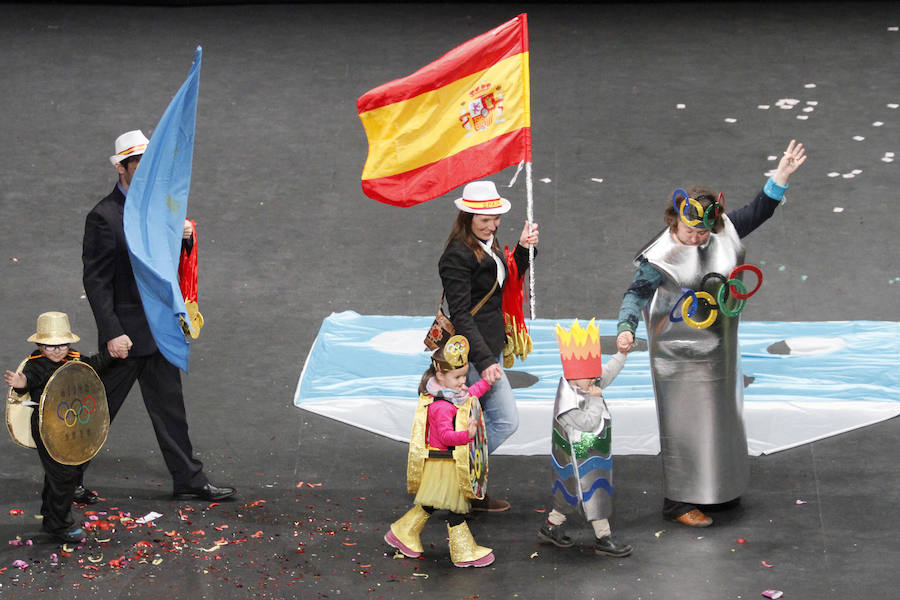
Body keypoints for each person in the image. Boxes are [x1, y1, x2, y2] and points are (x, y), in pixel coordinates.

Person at [615, 140, 807, 527]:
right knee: (685, 427)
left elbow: (759, 210)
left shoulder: (721, 232)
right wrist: (625, 328)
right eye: (690, 230)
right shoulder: (660, 257)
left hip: (720, 351)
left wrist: (780, 177)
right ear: (675, 221)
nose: (697, 238)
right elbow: (635, 295)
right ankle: (678, 501)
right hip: (679, 358)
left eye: (703, 232)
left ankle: (718, 489)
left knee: (721, 424)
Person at [81, 129, 234, 502]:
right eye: (139, 164)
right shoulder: (103, 217)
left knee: (170, 410)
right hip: (125, 336)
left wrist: (185, 238)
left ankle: (189, 480)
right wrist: (112, 332)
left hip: (160, 329)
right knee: (98, 411)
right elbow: (96, 282)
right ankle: (65, 481)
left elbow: (169, 267)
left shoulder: (163, 208)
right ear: (121, 168)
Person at [438, 180, 539, 512]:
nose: (492, 225)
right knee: (504, 421)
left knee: (475, 425)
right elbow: (462, 315)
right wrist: (485, 361)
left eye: (495, 219)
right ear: (467, 217)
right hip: (473, 355)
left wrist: (522, 249)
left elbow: (502, 282)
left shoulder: (488, 244)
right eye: (485, 220)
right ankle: (453, 477)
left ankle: (466, 488)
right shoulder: (457, 256)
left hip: (486, 347)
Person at [385, 335, 498, 568]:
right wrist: (467, 435)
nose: (462, 382)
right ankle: (463, 552)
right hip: (444, 463)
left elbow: (469, 395)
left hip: (445, 463)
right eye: (458, 377)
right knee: (455, 508)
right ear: (440, 375)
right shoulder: (442, 406)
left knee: (432, 503)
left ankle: (403, 532)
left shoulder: (451, 394)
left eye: (464, 376)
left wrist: (487, 383)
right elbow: (446, 436)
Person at [4, 312, 114, 543]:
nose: (57, 350)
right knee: (63, 475)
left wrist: (111, 354)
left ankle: (50, 513)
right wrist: (22, 385)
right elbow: (28, 381)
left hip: (71, 428)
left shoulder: (74, 359)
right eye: (50, 346)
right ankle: (59, 524)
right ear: (39, 345)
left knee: (62, 473)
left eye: (62, 345)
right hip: (47, 430)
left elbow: (92, 367)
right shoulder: (36, 365)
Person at [537, 319, 632, 557]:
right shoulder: (567, 404)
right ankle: (604, 537)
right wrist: (596, 400)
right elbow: (588, 423)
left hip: (591, 456)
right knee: (594, 492)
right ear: (574, 375)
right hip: (579, 462)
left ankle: (551, 526)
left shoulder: (586, 382)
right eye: (590, 376)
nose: (595, 380)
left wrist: (621, 354)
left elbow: (607, 372)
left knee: (568, 496)